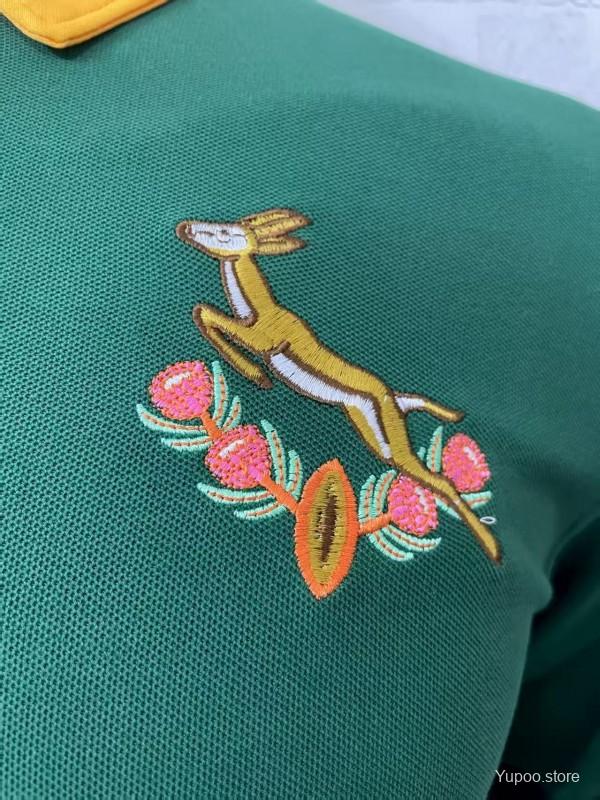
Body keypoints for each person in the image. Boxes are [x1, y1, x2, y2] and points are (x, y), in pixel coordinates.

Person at [2, 1, 598, 797]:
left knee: (404, 465)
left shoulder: (556, 199)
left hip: (360, 392)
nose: (209, 239)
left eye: (225, 239)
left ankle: (457, 508)